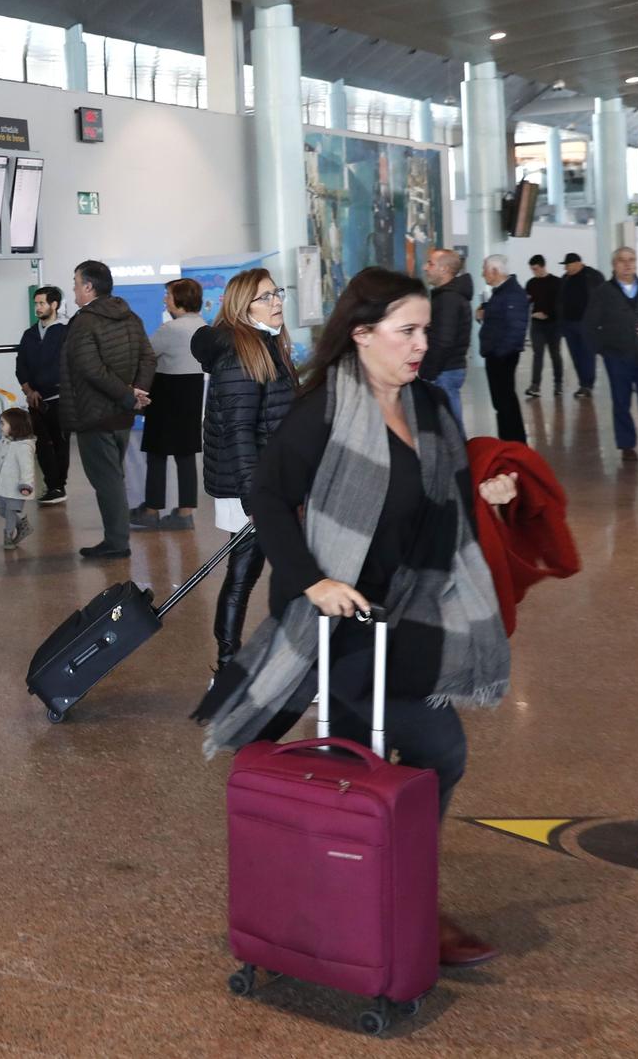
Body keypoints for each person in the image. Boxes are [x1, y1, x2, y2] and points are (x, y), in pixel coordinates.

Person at [194, 266, 516, 968]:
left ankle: (368, 895)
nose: (421, 344)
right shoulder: (326, 410)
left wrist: (485, 489)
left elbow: (451, 492)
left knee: (374, 760)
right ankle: (389, 902)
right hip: (338, 622)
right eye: (407, 331)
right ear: (362, 334)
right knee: (420, 753)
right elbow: (268, 498)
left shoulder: (429, 405)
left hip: (411, 610)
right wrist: (311, 581)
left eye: (425, 330)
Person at [189, 268, 296, 679]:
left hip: (270, 482)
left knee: (254, 572)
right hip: (251, 485)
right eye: (265, 298)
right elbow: (238, 431)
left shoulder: (267, 345)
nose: (277, 303)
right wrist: (256, 500)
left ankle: (238, 664)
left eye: (277, 294)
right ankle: (229, 666)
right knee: (245, 573)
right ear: (241, 307)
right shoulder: (240, 355)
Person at [59, 260, 155, 561]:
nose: (73, 288)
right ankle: (116, 538)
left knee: (107, 481)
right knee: (114, 477)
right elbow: (148, 358)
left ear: (89, 286)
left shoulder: (84, 322)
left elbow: (90, 369)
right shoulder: (131, 317)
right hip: (121, 415)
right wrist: (135, 394)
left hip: (94, 414)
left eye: (76, 282)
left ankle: (116, 541)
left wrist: (129, 395)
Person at [132, 277, 208, 531]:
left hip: (167, 393)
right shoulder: (202, 325)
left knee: (157, 453)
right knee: (186, 454)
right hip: (191, 392)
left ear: (180, 299)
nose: (165, 299)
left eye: (168, 294)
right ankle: (185, 513)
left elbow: (146, 354)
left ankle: (151, 509)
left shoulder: (171, 330)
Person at [587, 246, 638, 463]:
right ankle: (626, 445)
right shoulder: (603, 293)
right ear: (614, 265)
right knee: (621, 401)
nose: (627, 265)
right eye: (622, 261)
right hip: (617, 357)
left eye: (632, 260)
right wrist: (603, 349)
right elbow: (588, 325)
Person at [16, 285, 71, 505]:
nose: (37, 307)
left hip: (60, 398)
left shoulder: (64, 331)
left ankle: (59, 486)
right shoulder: (30, 334)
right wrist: (29, 391)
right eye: (36, 303)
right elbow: (21, 366)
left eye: (41, 303)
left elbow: (68, 364)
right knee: (41, 444)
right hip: (35, 400)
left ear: (54, 304)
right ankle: (52, 485)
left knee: (60, 442)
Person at [477, 254, 530, 444]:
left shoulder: (512, 293)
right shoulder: (502, 292)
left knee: (505, 400)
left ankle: (513, 441)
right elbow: (499, 318)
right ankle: (509, 439)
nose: (483, 275)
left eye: (485, 270)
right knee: (502, 400)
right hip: (498, 353)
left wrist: (499, 353)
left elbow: (516, 327)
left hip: (503, 356)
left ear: (494, 271)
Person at [421, 248, 474, 434]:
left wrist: (427, 371)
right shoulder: (449, 296)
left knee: (450, 427)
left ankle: (461, 461)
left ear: (444, 270)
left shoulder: (448, 299)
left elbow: (443, 341)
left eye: (430, 263)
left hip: (444, 370)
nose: (425, 267)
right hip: (447, 368)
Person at [0, 406, 38, 549]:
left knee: (10, 512)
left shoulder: (23, 447)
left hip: (15, 488)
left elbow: (27, 468)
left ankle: (8, 537)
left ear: (15, 426)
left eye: (3, 423)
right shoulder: (6, 441)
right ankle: (23, 526)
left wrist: (26, 485)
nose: (0, 426)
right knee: (1, 510)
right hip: (3, 486)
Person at [557, 253, 598, 397]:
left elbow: (601, 297)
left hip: (586, 323)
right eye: (566, 266)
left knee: (587, 354)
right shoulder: (565, 279)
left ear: (578, 263)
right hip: (568, 323)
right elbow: (560, 300)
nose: (566, 268)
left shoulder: (592, 276)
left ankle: (588, 385)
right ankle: (583, 384)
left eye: (568, 265)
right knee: (576, 355)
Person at [523, 254, 563, 398]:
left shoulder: (556, 282)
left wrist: (548, 314)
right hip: (537, 324)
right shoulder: (531, 283)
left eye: (536, 269)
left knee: (555, 354)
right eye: (532, 269)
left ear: (543, 266)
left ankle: (558, 384)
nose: (534, 272)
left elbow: (559, 304)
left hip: (554, 324)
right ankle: (535, 385)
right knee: (537, 354)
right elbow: (527, 301)